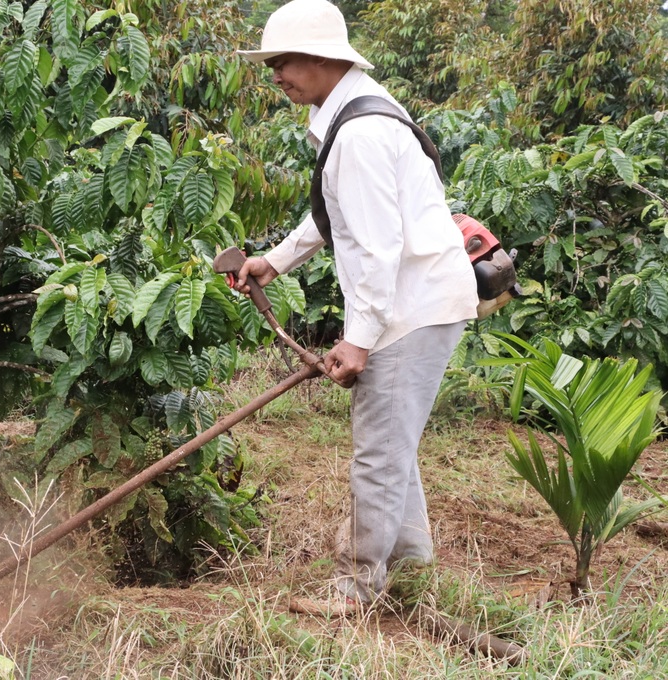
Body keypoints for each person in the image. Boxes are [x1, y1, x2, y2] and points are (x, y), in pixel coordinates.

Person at [235, 0, 479, 614]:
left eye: (283, 62)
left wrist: (359, 338)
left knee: (377, 448)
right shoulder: (354, 119)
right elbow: (335, 214)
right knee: (394, 441)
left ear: (322, 59)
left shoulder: (363, 132)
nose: (277, 76)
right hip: (420, 298)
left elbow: (377, 247)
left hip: (409, 304)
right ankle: (414, 566)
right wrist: (276, 260)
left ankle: (357, 588)